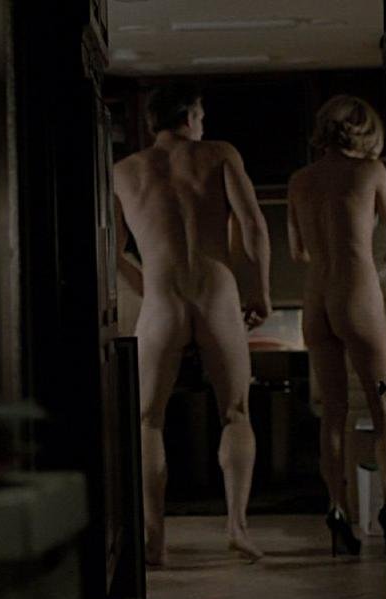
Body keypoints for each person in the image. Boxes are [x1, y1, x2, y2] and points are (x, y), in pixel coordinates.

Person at [113, 84, 272, 565]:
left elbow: (110, 251)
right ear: (191, 117)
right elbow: (253, 225)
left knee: (147, 419)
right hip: (216, 289)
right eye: (201, 116)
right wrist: (260, 290)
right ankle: (237, 528)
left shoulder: (125, 170)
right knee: (236, 411)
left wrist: (149, 286)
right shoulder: (220, 154)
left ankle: (154, 539)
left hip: (163, 296)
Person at [286, 95, 386, 556]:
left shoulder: (300, 180)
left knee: (333, 411)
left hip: (316, 298)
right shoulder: (371, 172)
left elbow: (298, 252)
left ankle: (337, 508)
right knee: (382, 407)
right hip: (355, 290)